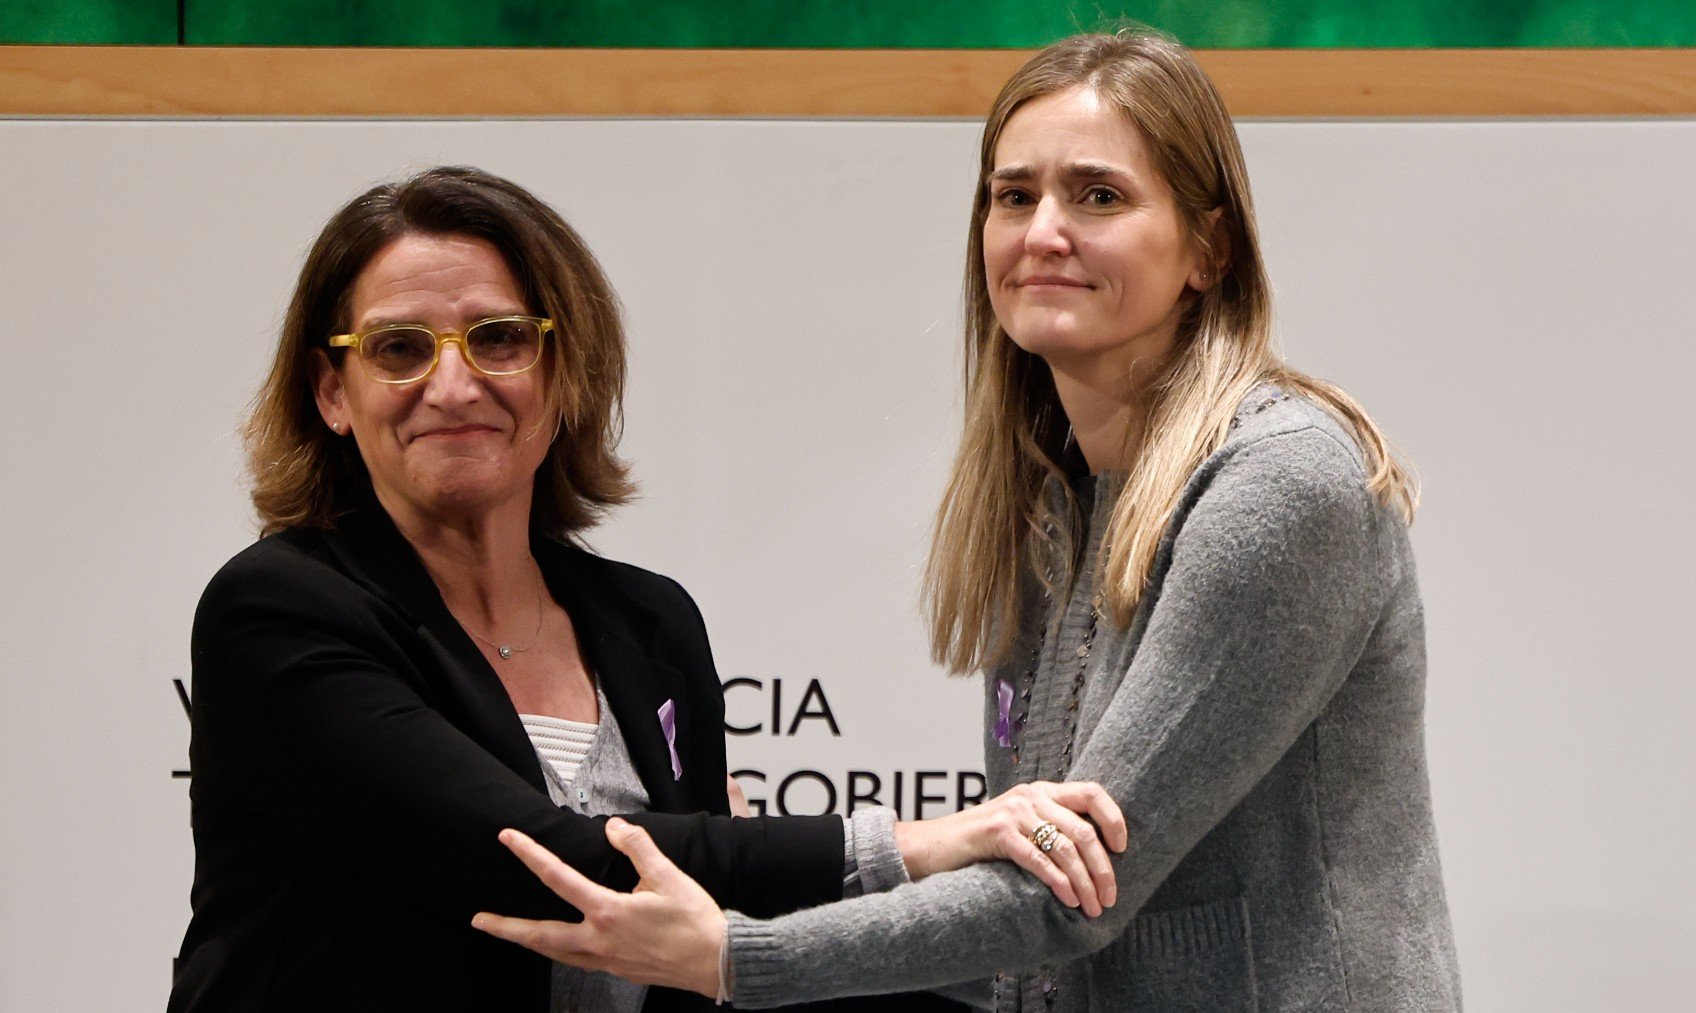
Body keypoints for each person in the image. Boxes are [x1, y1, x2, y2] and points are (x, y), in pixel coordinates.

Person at [474, 29, 1462, 1011]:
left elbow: (1070, 892)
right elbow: (1025, 908)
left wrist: (736, 951)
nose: (1043, 234)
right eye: (1014, 195)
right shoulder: (1046, 496)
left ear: (1209, 246)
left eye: (1100, 196)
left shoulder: (1281, 484)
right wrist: (763, 889)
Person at [168, 166, 1128, 1013]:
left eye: (498, 338)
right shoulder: (279, 610)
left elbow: (704, 933)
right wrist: (922, 844)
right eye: (398, 349)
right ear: (333, 392)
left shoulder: (649, 621)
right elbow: (545, 863)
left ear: (563, 371)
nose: (452, 386)